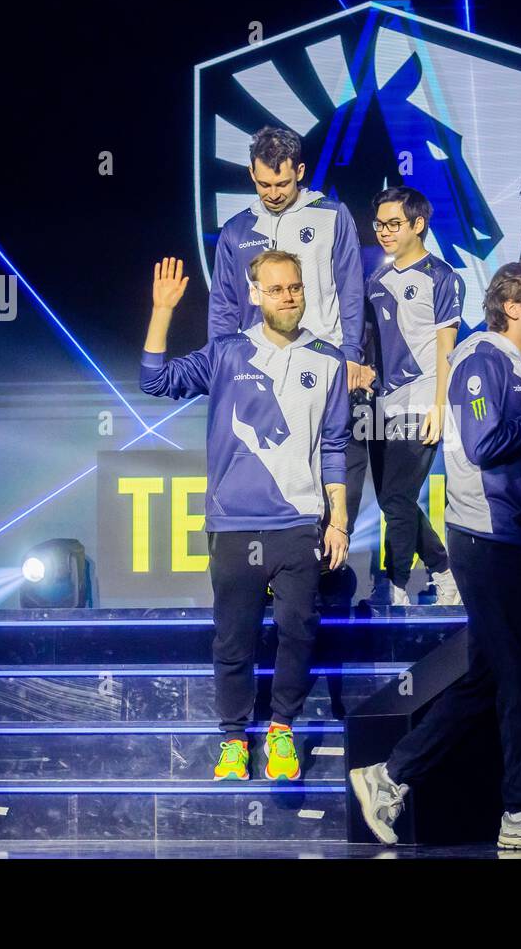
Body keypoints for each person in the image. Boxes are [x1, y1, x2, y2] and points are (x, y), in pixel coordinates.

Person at [349, 261, 521, 850]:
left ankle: (389, 776)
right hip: (487, 540)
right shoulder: (479, 360)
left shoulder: (519, 367)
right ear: (513, 305)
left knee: (489, 676)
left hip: (516, 541)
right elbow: (487, 444)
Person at [140, 252, 350, 782]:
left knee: (298, 629)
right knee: (233, 638)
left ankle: (282, 730)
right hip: (234, 523)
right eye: (276, 288)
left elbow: (334, 445)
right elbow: (154, 382)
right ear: (254, 294)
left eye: (295, 287)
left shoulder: (328, 360)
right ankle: (234, 739)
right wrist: (162, 311)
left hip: (299, 521)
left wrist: (338, 520)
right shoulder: (227, 353)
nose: (288, 296)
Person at [207, 125, 373, 595]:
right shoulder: (237, 230)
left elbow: (350, 290)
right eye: (263, 184)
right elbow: (222, 303)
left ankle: (319, 575)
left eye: (283, 183)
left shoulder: (331, 216)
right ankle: (260, 578)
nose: (274, 194)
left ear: (299, 171)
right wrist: (224, 364)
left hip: (320, 368)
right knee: (260, 467)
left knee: (325, 467)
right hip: (254, 371)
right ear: (252, 175)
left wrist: (351, 356)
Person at [363, 185, 463, 606]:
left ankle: (396, 586)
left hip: (422, 400)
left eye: (393, 224)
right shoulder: (376, 279)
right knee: (392, 499)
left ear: (418, 224)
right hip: (379, 404)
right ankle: (443, 569)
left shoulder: (442, 277)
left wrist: (440, 408)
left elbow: (447, 349)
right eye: (379, 225)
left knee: (399, 497)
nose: (384, 232)